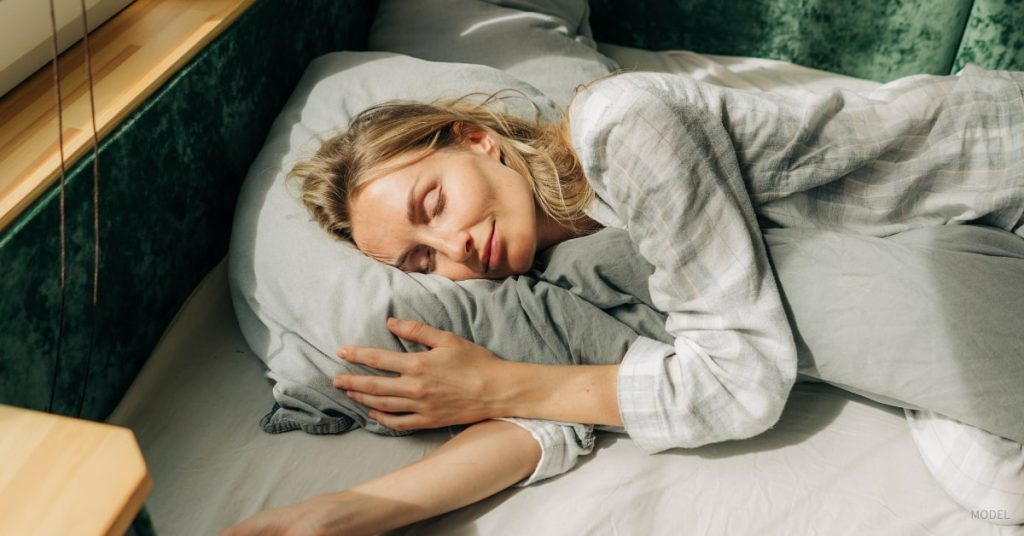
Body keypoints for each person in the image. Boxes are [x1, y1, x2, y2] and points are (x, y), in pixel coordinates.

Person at [223, 67, 1024, 535]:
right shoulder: (560, 267)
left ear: (475, 139)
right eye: (420, 259)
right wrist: (340, 512)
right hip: (956, 250)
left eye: (432, 204)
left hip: (998, 171)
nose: (453, 249)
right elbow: (565, 408)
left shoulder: (622, 127)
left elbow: (739, 383)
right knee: (991, 483)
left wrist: (502, 381)